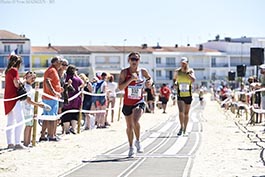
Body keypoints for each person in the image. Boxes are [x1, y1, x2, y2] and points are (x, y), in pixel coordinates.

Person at [118, 52, 153, 157]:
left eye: (136, 59)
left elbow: (150, 79)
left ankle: (138, 141)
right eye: (132, 59)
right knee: (129, 127)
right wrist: (130, 79)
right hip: (127, 103)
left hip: (139, 101)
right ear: (128, 60)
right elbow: (120, 87)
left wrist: (150, 83)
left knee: (135, 120)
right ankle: (131, 147)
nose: (134, 61)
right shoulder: (124, 72)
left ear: (139, 61)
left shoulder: (143, 71)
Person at [4, 55, 26, 149]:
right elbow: (16, 84)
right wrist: (24, 81)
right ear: (18, 63)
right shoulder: (14, 70)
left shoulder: (8, 71)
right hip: (14, 98)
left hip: (7, 98)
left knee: (10, 122)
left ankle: (10, 143)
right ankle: (17, 142)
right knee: (20, 121)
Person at [40, 56, 63, 142]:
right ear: (55, 62)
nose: (61, 63)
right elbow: (47, 81)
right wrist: (54, 92)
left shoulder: (52, 70)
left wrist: (59, 89)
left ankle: (43, 135)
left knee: (46, 117)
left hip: (48, 97)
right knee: (52, 117)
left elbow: (51, 82)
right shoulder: (52, 70)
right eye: (60, 61)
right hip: (51, 97)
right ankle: (51, 135)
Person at [173, 57, 196, 136]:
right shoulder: (177, 71)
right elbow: (174, 79)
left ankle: (185, 129)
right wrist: (175, 83)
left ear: (187, 63)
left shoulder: (190, 71)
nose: (183, 65)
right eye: (182, 63)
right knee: (181, 112)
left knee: (186, 113)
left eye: (184, 63)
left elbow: (193, 80)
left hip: (188, 95)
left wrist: (188, 74)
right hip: (180, 94)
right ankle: (181, 126)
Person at [22, 71, 45, 147]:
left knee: (30, 125)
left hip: (30, 109)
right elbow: (28, 100)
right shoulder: (27, 87)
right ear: (27, 77)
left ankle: (27, 142)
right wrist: (38, 104)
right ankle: (26, 142)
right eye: (32, 77)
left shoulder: (29, 86)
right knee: (28, 126)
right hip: (27, 109)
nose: (33, 79)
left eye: (34, 78)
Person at [61, 65, 84, 134]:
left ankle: (67, 130)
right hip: (75, 99)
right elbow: (83, 83)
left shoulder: (65, 77)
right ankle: (73, 129)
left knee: (66, 113)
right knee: (74, 114)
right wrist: (79, 88)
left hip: (66, 98)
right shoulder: (76, 78)